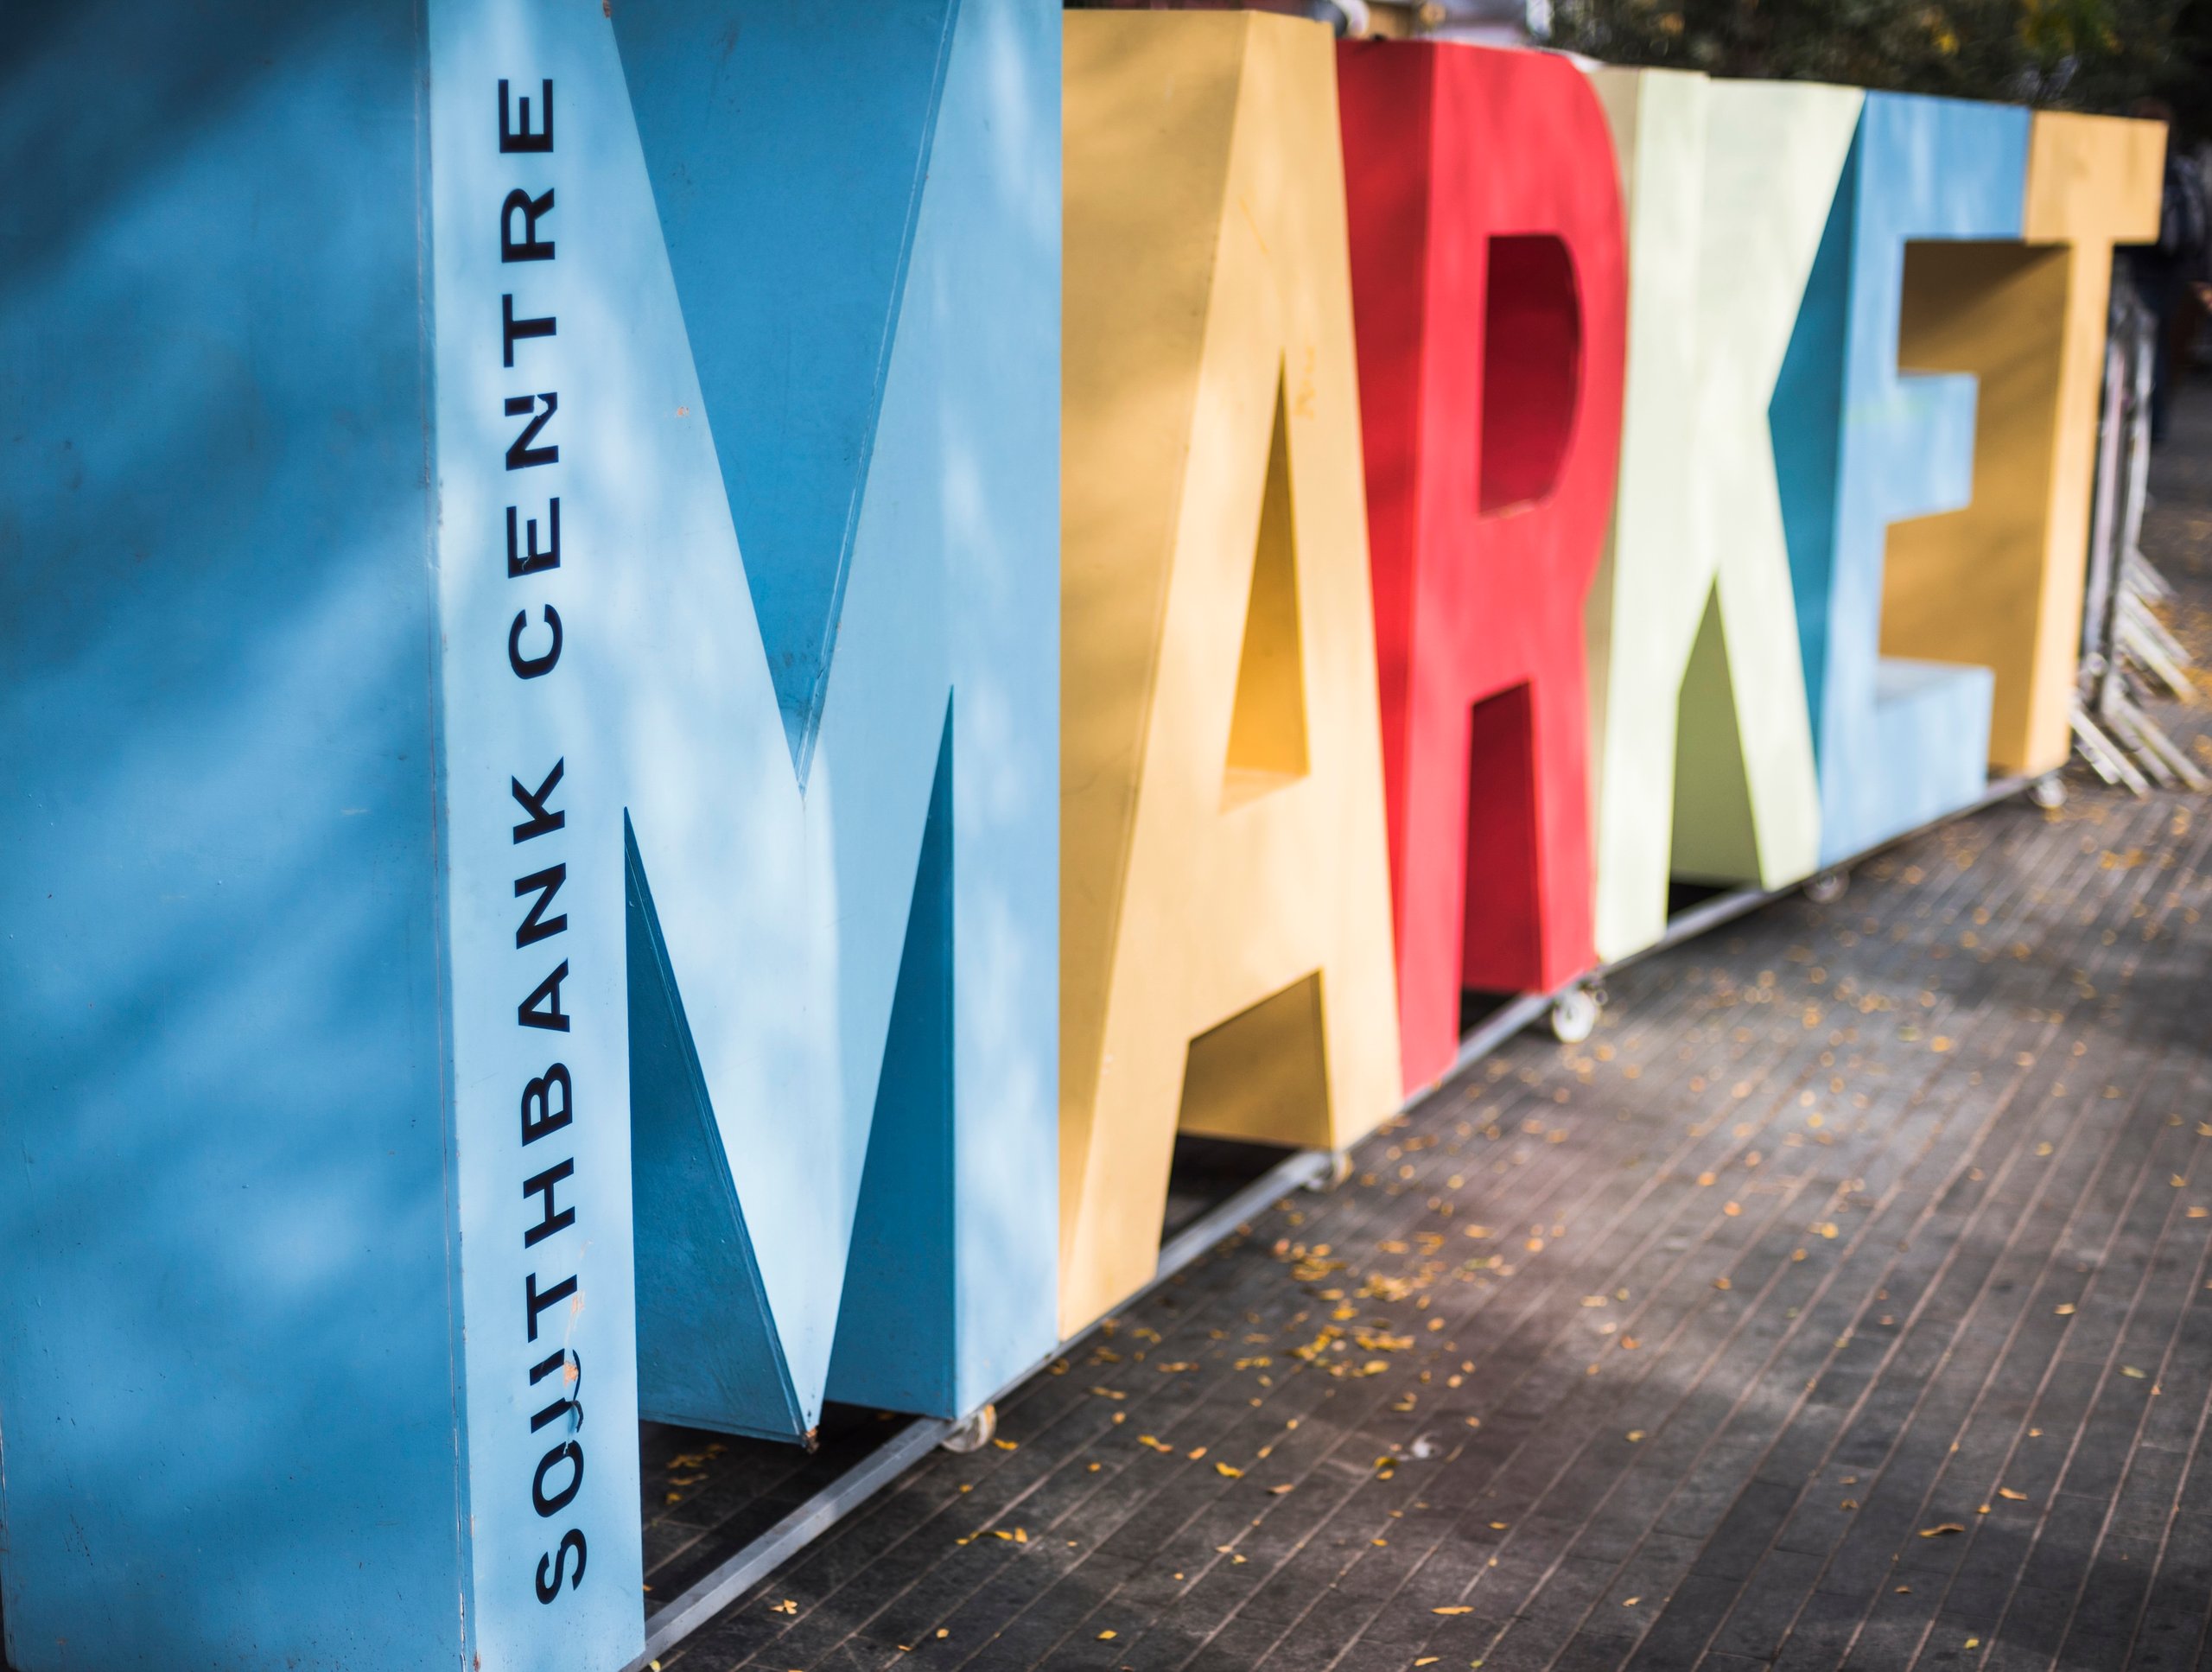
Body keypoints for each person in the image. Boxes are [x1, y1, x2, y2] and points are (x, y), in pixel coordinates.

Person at [2121, 98, 2209, 444]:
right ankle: (2155, 424)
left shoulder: (2135, 168)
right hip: (2178, 271)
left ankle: (2142, 424)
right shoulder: (2185, 170)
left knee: (2139, 345)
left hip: (2140, 267)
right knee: (2160, 345)